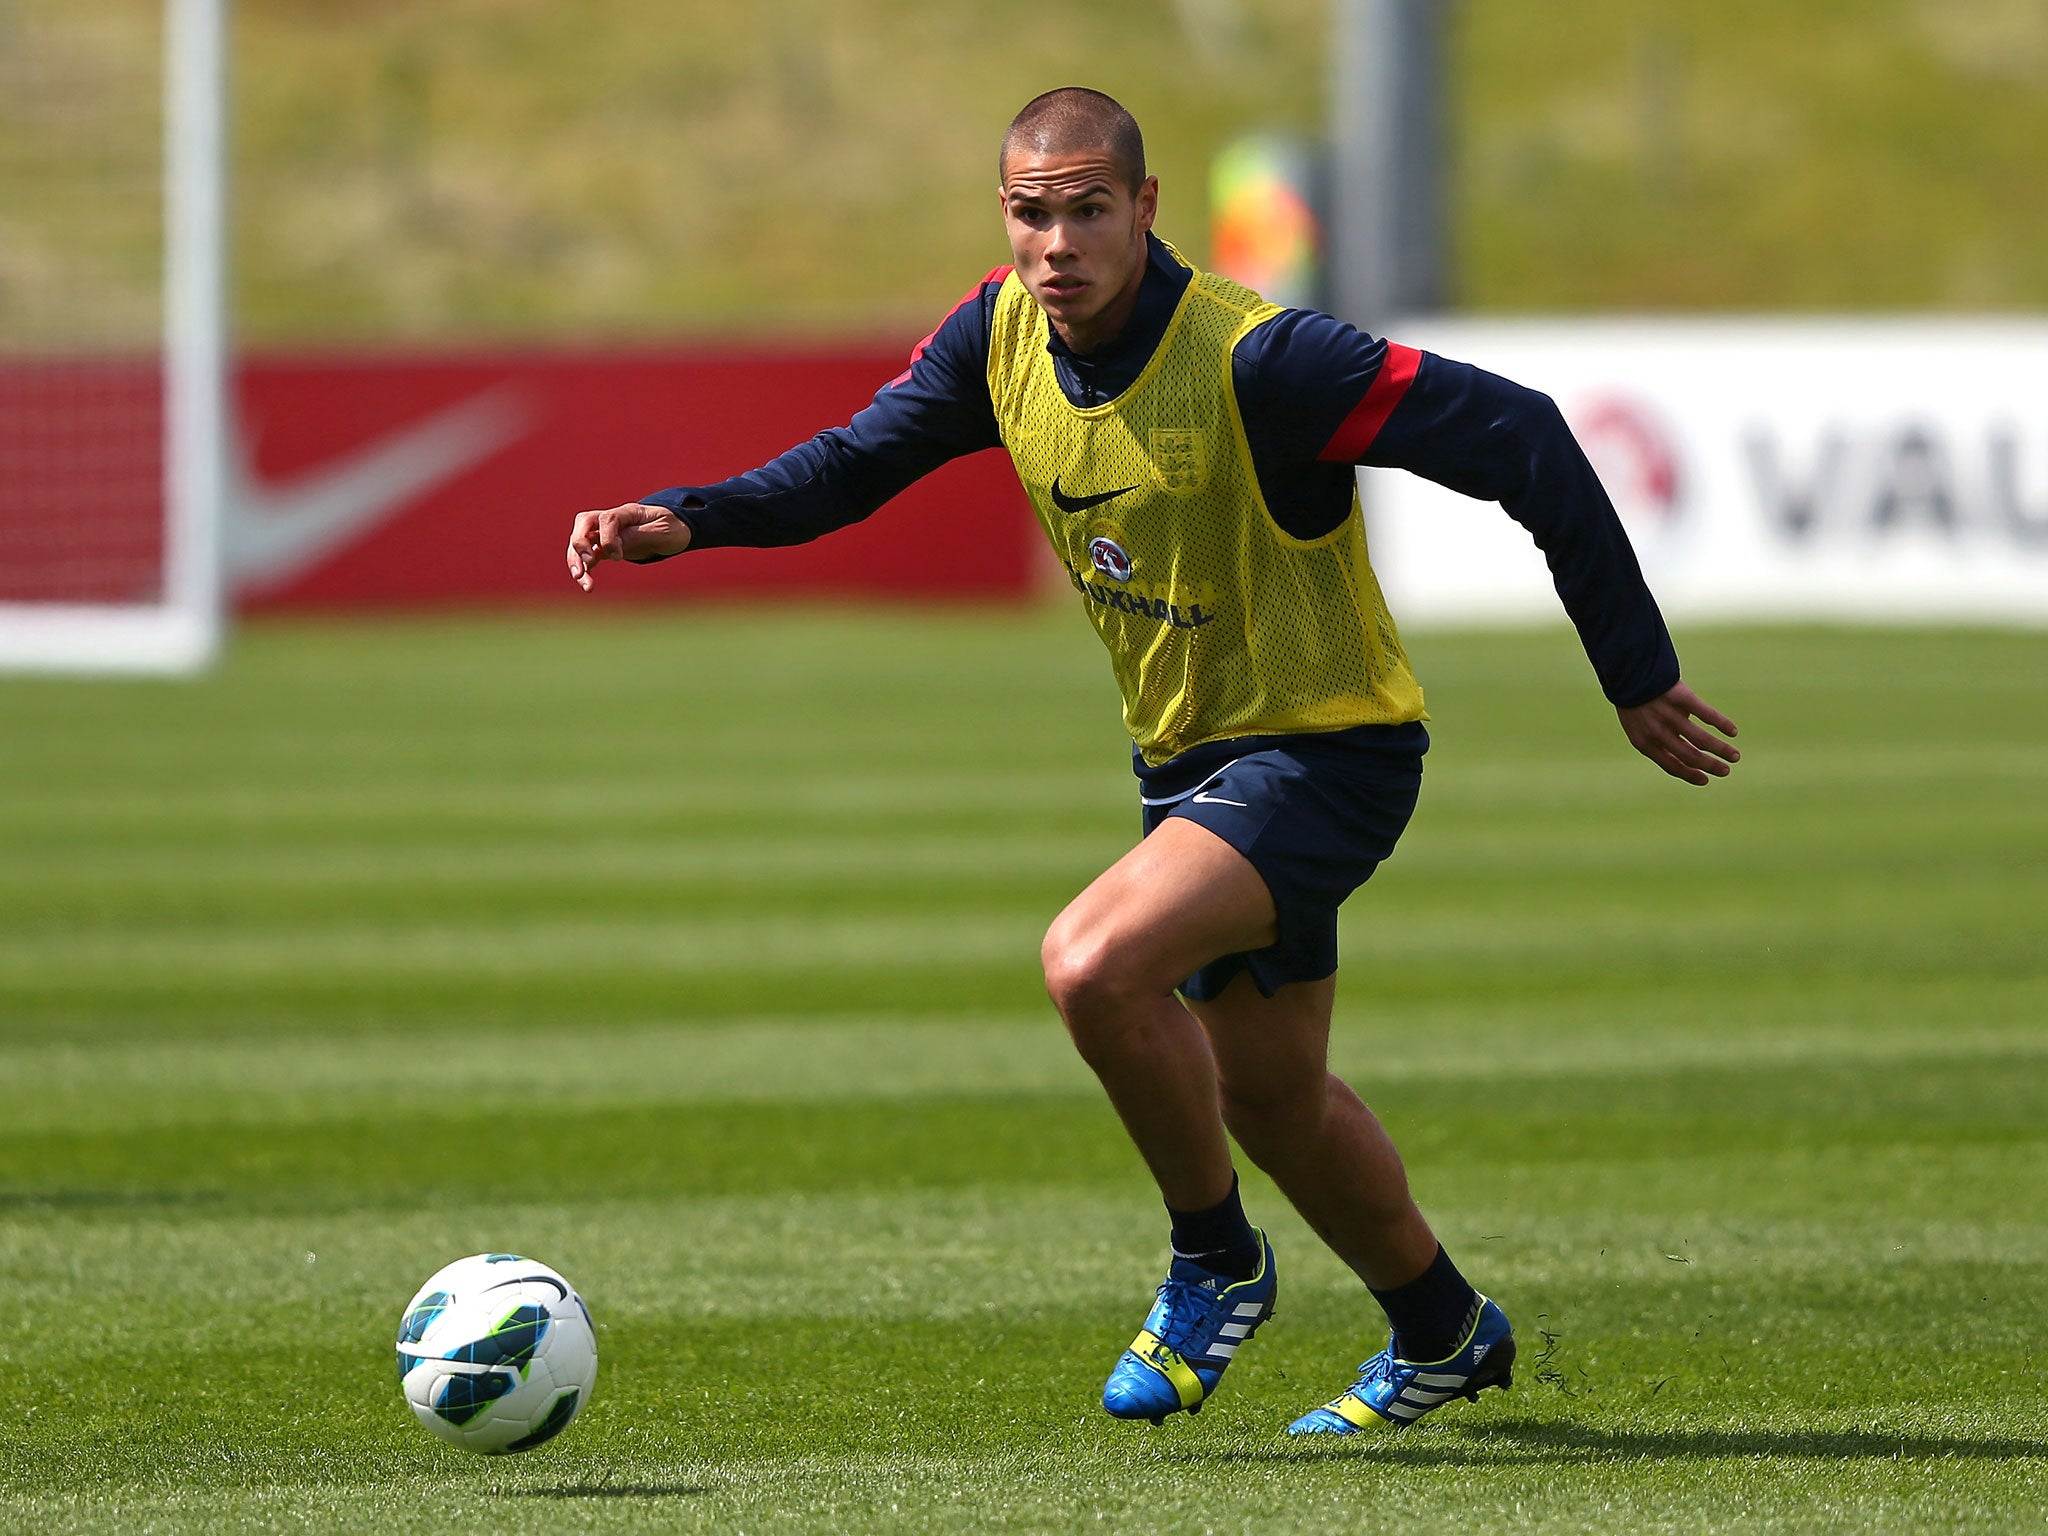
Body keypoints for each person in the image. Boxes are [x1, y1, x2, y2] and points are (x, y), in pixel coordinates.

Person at [565, 86, 1739, 1435]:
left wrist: (1636, 675)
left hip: (1328, 753)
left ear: (1145, 210)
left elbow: (1523, 434)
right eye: (1028, 212)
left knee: (1089, 962)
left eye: (1085, 209)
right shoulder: (997, 338)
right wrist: (688, 520)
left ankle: (1216, 1263)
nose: (1055, 242)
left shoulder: (1263, 361)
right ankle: (1445, 1329)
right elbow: (851, 467)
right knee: (1274, 1099)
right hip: (1186, 765)